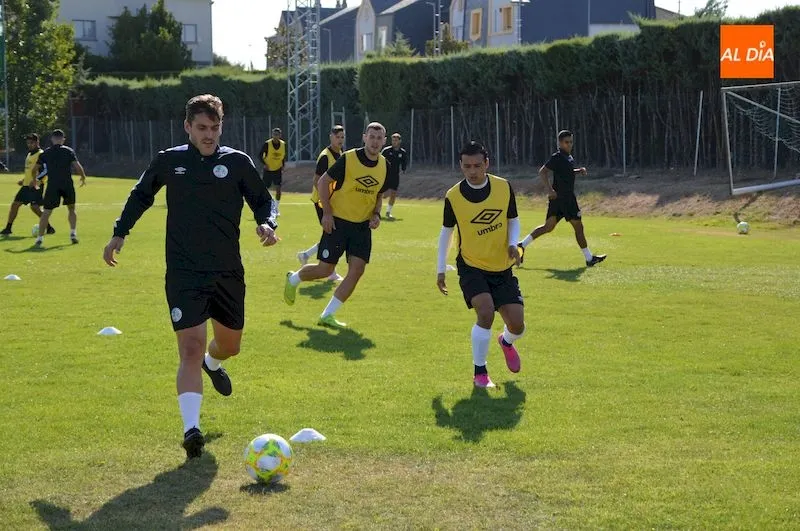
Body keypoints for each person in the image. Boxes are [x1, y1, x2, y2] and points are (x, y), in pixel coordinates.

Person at [102, 94, 279, 459]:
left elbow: (264, 200)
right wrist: (120, 233)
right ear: (187, 127)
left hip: (227, 271)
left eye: (214, 127)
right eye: (201, 128)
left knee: (229, 346)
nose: (209, 135)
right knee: (190, 348)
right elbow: (140, 195)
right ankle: (191, 429)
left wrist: (267, 223)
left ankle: (213, 364)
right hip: (184, 272)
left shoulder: (237, 162)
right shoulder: (169, 161)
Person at [283, 122, 389, 329]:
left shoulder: (386, 166)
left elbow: (378, 195)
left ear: (384, 141)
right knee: (325, 270)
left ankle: (327, 315)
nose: (375, 142)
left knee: (357, 270)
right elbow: (322, 182)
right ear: (364, 137)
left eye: (379, 138)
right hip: (338, 222)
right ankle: (294, 279)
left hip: (362, 227)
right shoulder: (349, 158)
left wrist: (376, 214)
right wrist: (327, 213)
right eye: (372, 137)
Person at [436, 141, 525, 388]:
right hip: (471, 265)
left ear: (487, 163)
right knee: (485, 312)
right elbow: (446, 232)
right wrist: (440, 270)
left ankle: (506, 341)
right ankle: (480, 373)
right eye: (467, 166)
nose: (472, 171)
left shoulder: (503, 187)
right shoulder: (453, 196)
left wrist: (513, 244)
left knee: (517, 325)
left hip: (501, 266)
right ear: (460, 166)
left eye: (477, 165)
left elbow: (513, 219)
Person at [518, 130, 606, 267]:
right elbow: (543, 172)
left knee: (548, 227)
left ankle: (522, 245)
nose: (569, 144)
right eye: (566, 142)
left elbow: (565, 172)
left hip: (559, 199)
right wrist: (550, 190)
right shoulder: (557, 157)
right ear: (560, 143)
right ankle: (589, 259)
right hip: (566, 198)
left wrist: (578, 171)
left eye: (571, 142)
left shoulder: (568, 157)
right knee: (578, 227)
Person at [296, 125, 345, 283]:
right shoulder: (325, 156)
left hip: (333, 201)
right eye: (337, 137)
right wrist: (326, 200)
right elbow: (317, 180)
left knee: (331, 233)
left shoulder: (341, 154)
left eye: (342, 137)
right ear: (331, 137)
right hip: (322, 201)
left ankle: (305, 255)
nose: (340, 140)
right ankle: (330, 271)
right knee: (331, 233)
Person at [33, 129, 87, 247]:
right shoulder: (68, 151)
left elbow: (35, 168)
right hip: (67, 184)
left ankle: (39, 238)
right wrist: (83, 177)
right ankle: (73, 234)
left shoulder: (46, 153)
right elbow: (77, 166)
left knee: (47, 212)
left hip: (53, 185)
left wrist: (34, 180)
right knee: (71, 209)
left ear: (52, 139)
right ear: (63, 139)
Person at [1, 134, 55, 236]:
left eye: (31, 143)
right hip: (26, 185)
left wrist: (36, 180)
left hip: (36, 186)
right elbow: (30, 171)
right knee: (15, 204)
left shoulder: (41, 154)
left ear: (37, 142)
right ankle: (8, 228)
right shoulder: (30, 154)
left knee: (34, 207)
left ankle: (49, 227)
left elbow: (45, 170)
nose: (29, 145)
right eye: (28, 143)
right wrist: (24, 180)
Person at [258, 127, 286, 217]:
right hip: (268, 170)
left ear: (280, 135)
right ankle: (266, 207)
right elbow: (260, 155)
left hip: (277, 169)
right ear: (272, 135)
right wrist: (264, 164)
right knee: (264, 190)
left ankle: (276, 208)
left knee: (278, 189)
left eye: (277, 134)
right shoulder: (267, 144)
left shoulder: (283, 144)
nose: (275, 136)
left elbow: (283, 156)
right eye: (274, 134)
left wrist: (283, 165)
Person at [380, 132, 408, 220]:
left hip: (395, 176)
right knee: (380, 194)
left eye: (396, 140)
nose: (394, 142)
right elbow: (379, 160)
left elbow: (404, 162)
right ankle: (377, 211)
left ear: (399, 141)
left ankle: (388, 212)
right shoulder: (386, 151)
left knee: (393, 194)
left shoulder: (402, 152)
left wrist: (404, 169)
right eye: (393, 140)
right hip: (385, 175)